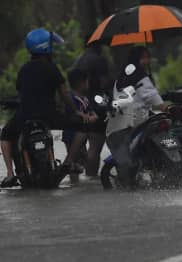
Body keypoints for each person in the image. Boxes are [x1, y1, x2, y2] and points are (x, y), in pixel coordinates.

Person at [1, 29, 80, 187]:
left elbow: (22, 92)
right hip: (49, 116)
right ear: (46, 47)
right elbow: (64, 94)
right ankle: (69, 162)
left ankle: (9, 174)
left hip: (24, 117)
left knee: (4, 135)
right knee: (80, 128)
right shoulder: (52, 68)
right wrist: (75, 111)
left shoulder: (24, 70)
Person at [105, 46, 170, 185]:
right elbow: (154, 99)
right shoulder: (140, 77)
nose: (147, 61)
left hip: (121, 120)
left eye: (148, 57)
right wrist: (167, 108)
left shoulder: (123, 75)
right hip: (136, 119)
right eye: (143, 58)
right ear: (136, 59)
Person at [72, 38, 110, 177]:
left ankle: (76, 179)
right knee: (95, 146)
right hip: (96, 105)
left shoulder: (78, 60)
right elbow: (104, 83)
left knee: (77, 147)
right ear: (98, 45)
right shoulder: (99, 60)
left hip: (79, 104)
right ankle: (91, 178)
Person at [62, 69, 97, 179]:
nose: (88, 84)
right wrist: (85, 116)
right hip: (71, 133)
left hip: (82, 135)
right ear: (80, 83)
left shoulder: (85, 99)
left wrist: (93, 117)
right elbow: (71, 114)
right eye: (87, 81)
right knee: (73, 161)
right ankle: (73, 181)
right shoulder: (71, 98)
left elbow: (92, 112)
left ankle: (76, 181)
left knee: (82, 159)